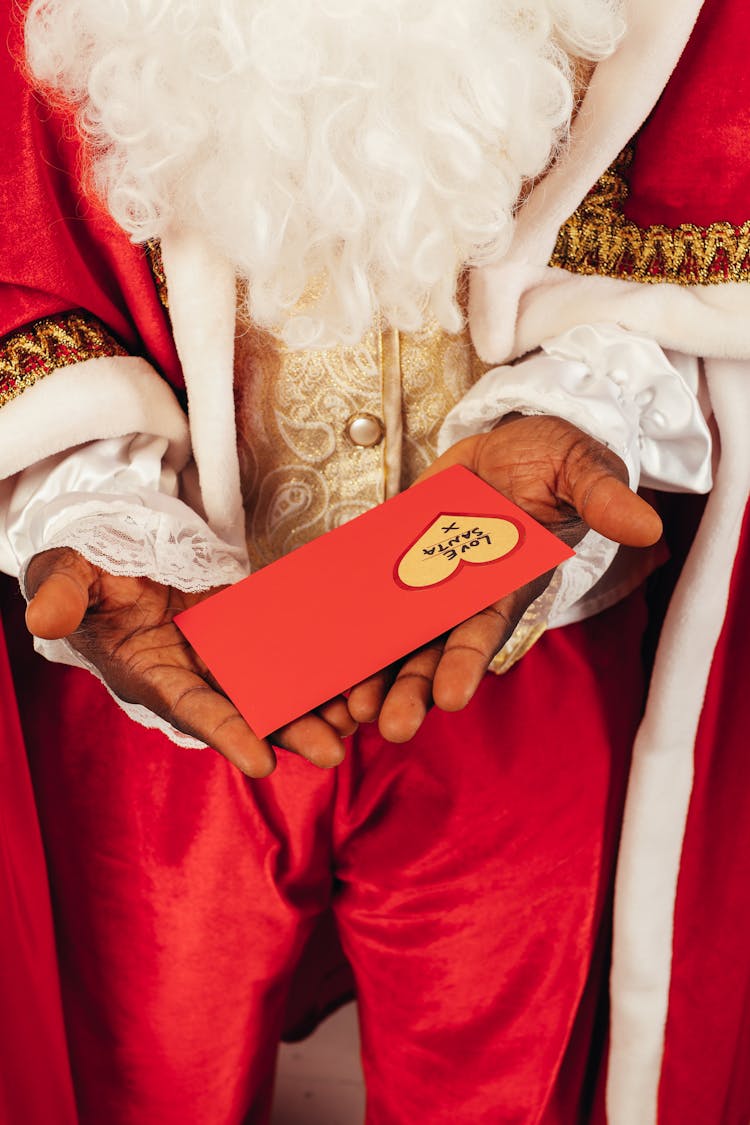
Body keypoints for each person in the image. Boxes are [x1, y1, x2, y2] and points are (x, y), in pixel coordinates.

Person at [0, 0, 748, 1122]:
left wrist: (589, 411)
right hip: (164, 661)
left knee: (500, 1091)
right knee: (147, 1085)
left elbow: (702, 219)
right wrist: (93, 507)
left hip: (528, 640)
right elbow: (26, 259)